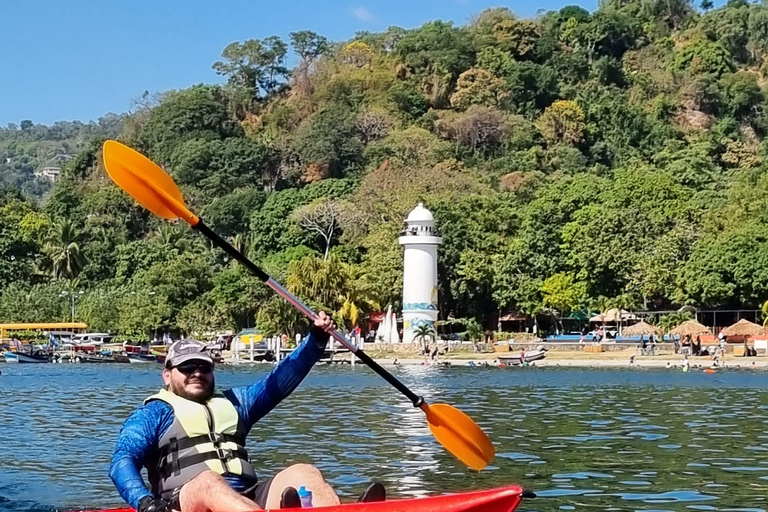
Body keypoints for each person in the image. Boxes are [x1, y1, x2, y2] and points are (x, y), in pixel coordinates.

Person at [110, 312, 384, 512]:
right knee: (208, 482)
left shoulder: (236, 403)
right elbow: (122, 462)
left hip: (248, 496)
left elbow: (279, 382)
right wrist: (144, 502)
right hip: (183, 502)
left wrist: (316, 339)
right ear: (167, 376)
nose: (197, 373)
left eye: (204, 368)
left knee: (305, 472)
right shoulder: (153, 414)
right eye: (187, 368)